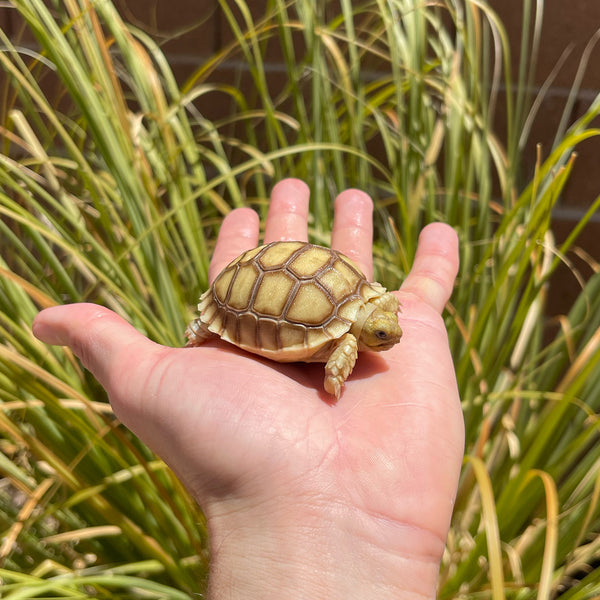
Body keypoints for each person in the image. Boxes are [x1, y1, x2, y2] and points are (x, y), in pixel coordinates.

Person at [33, 178, 464, 599]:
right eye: (384, 338)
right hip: (257, 294)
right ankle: (208, 321)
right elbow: (336, 374)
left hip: (305, 286)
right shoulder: (347, 340)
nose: (392, 342)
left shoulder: (367, 314)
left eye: (386, 335)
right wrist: (335, 377)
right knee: (233, 320)